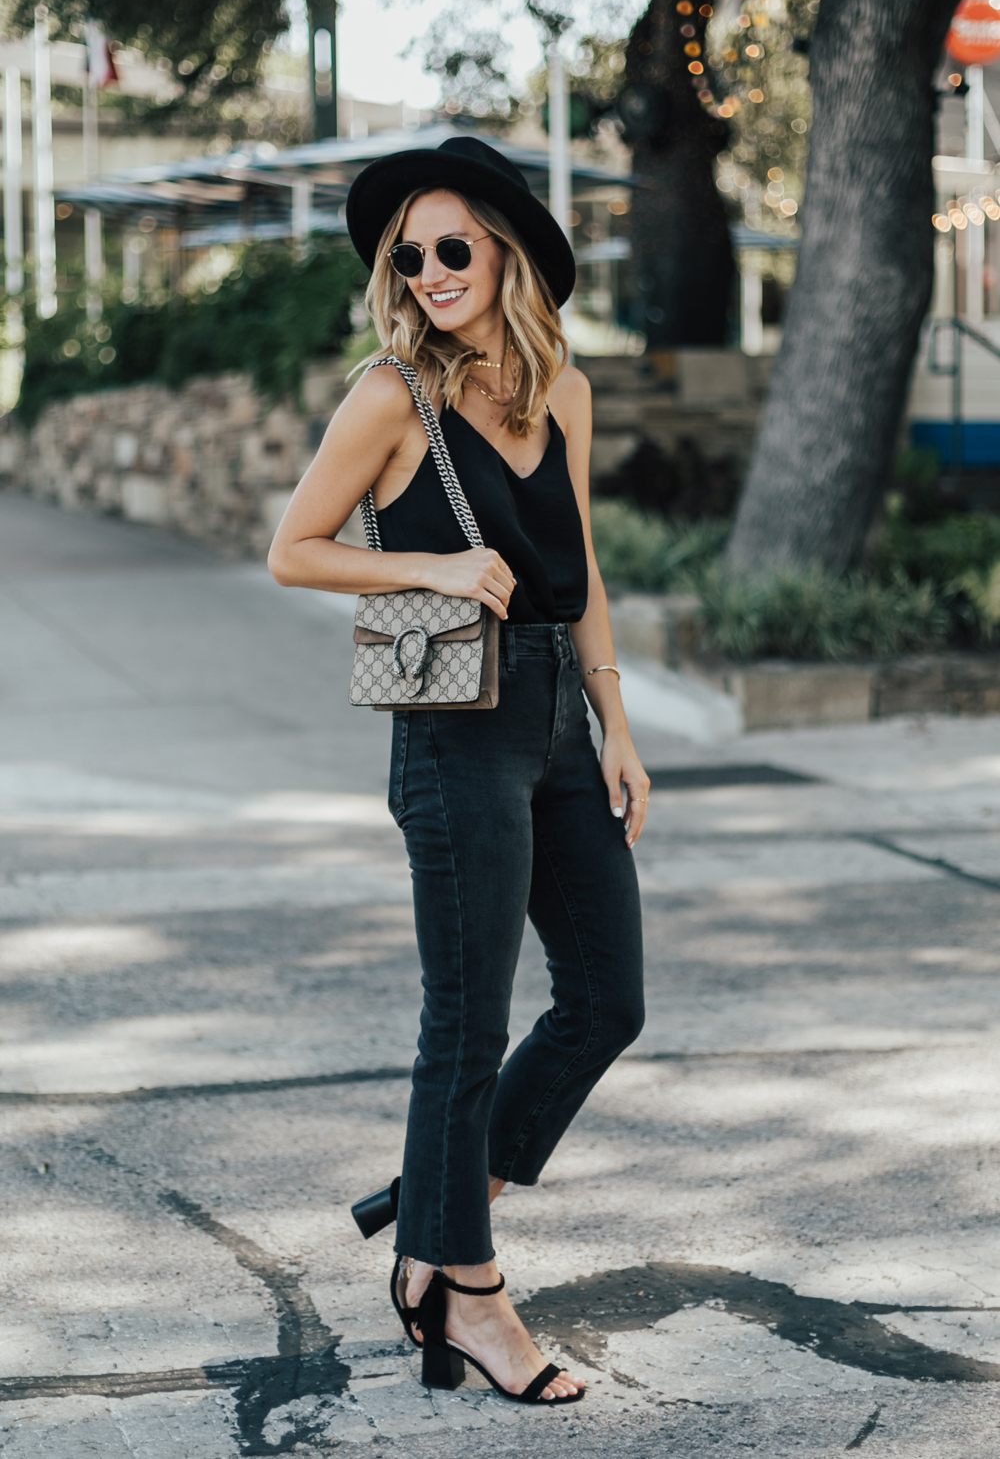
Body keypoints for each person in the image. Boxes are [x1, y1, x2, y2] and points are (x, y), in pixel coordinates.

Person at [268, 136, 648, 1407]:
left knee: (606, 998)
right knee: (467, 1021)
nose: (427, 271)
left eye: (451, 248)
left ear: (506, 256)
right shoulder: (391, 396)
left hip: (554, 715)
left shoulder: (565, 391)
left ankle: (430, 1207)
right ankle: (468, 1290)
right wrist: (427, 568)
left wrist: (617, 726)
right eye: (408, 254)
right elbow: (296, 550)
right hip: (450, 731)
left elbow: (582, 573)